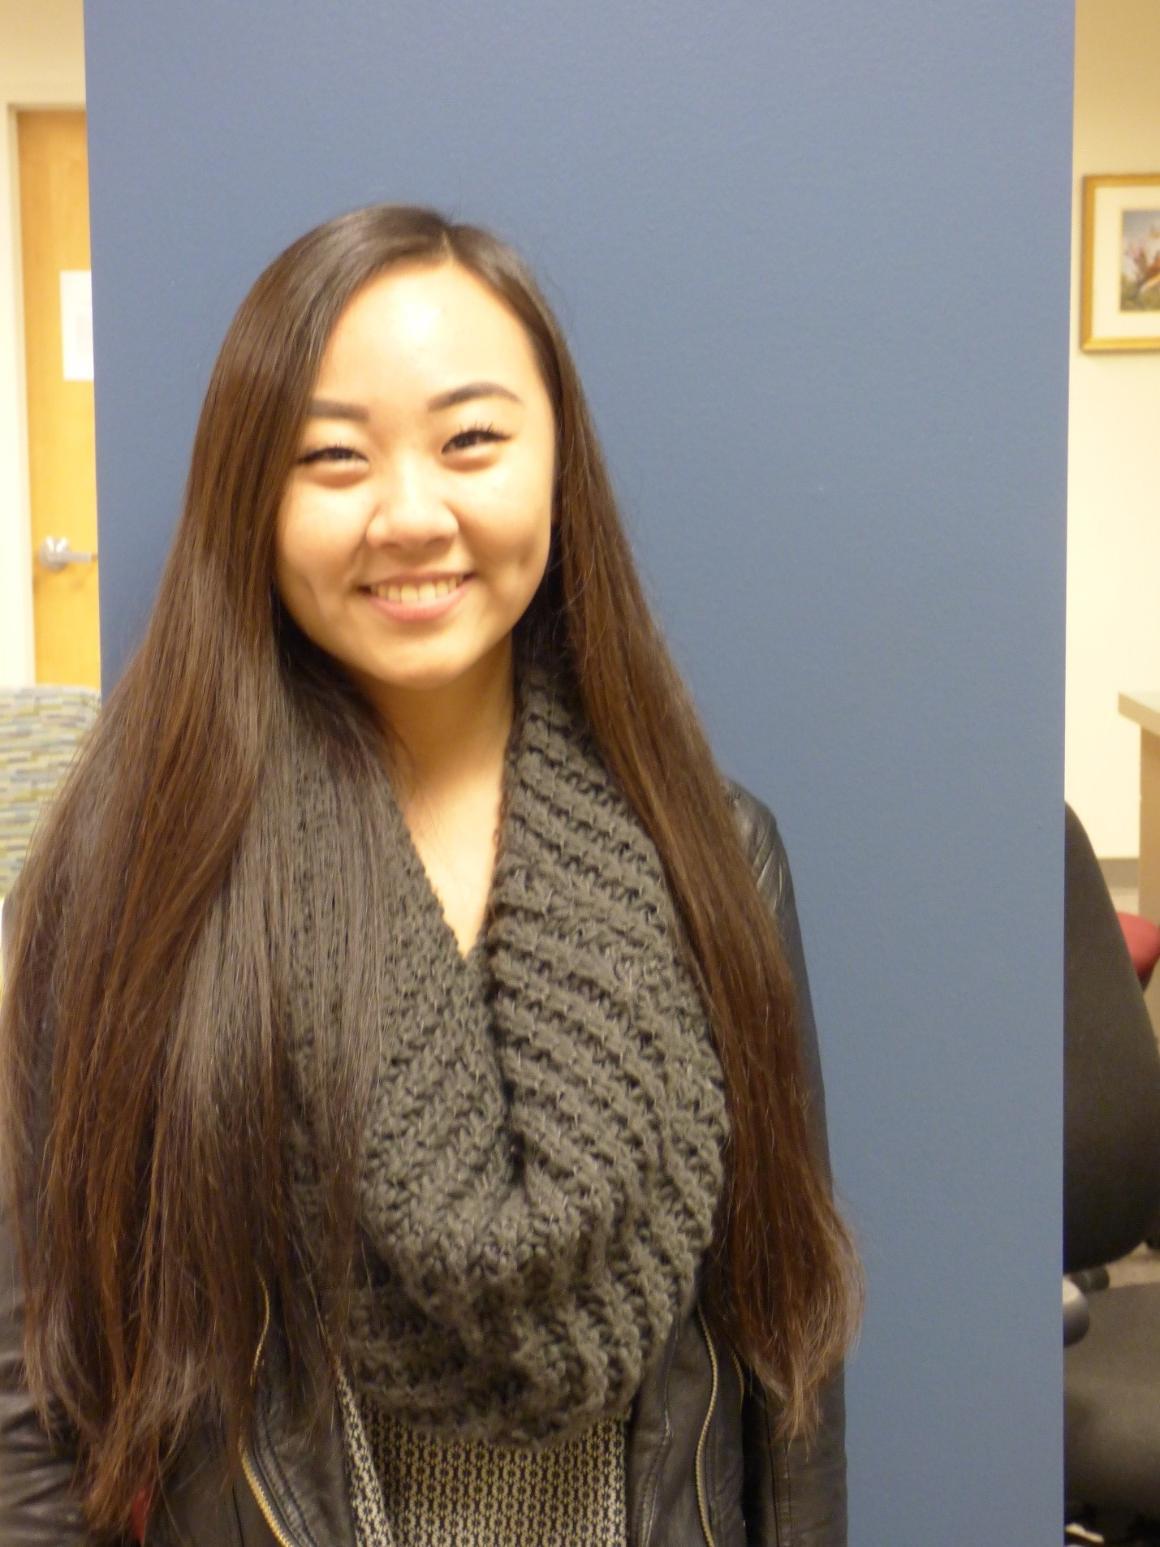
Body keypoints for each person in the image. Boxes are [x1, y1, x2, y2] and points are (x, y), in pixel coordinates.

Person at [0, 204, 860, 1546]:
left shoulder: (716, 855)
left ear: (557, 463)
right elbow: (40, 1402)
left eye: (471, 440)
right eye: (331, 458)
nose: (411, 514)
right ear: (252, 497)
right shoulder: (136, 879)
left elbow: (785, 1349)